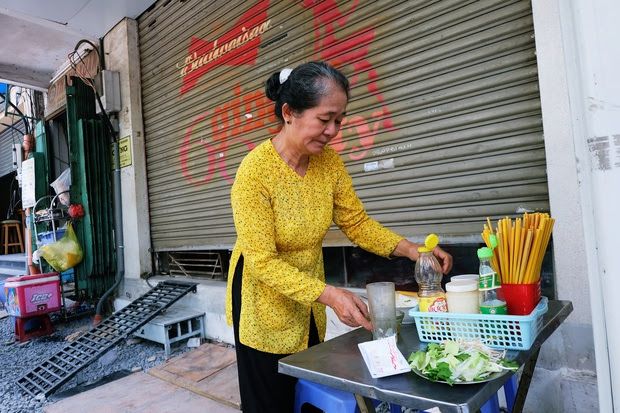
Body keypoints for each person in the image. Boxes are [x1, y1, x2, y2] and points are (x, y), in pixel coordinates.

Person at [225, 61, 453, 413]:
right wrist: (330, 294)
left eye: (339, 120)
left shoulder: (328, 162)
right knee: (268, 400)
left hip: (309, 295)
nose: (333, 131)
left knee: (305, 386)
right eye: (324, 119)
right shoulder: (254, 174)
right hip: (262, 299)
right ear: (289, 113)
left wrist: (413, 249)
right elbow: (262, 260)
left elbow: (357, 223)